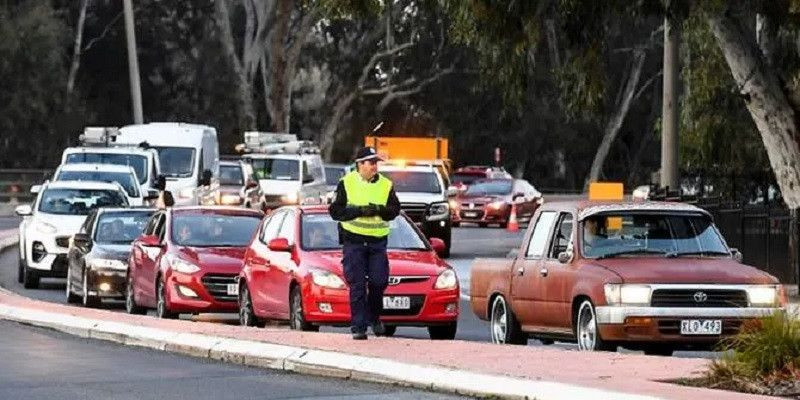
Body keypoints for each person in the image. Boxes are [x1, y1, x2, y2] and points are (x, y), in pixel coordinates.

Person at [329, 146, 400, 340]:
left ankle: (374, 317)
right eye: (371, 162)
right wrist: (359, 211)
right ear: (360, 165)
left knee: (379, 282)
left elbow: (395, 210)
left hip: (377, 242)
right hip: (354, 242)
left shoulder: (386, 185)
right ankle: (358, 327)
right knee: (357, 285)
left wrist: (378, 209)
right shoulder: (346, 183)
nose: (374, 166)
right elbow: (335, 211)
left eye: (376, 162)